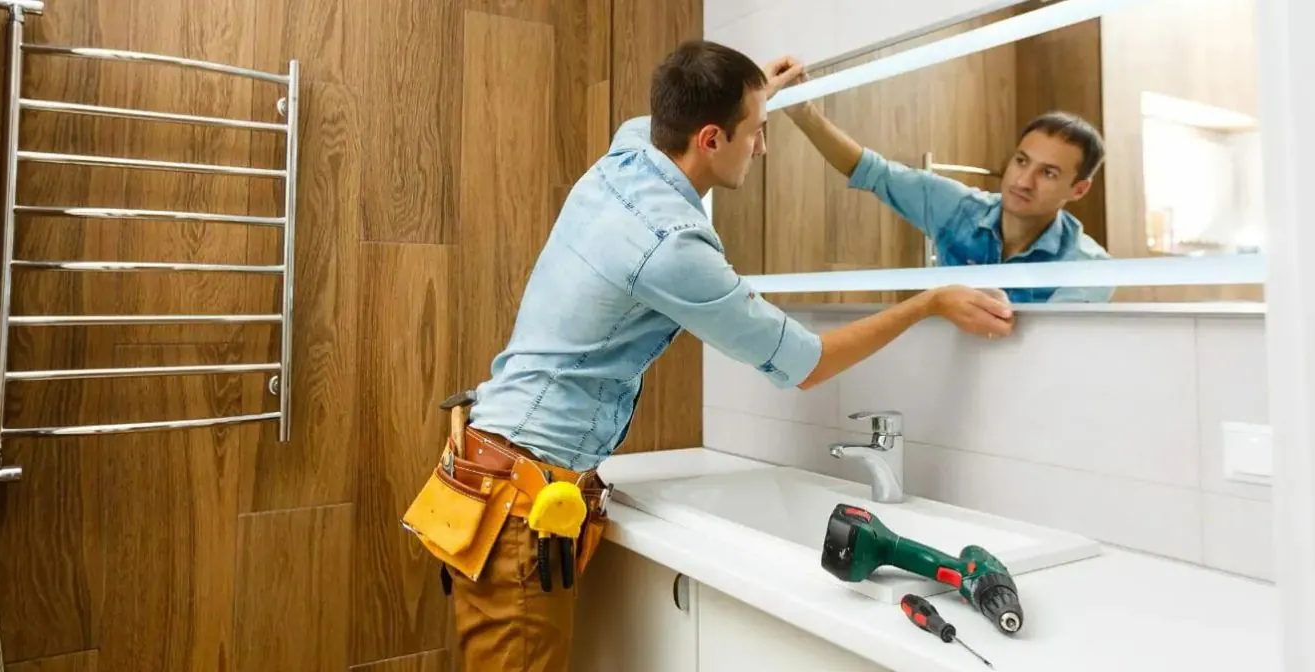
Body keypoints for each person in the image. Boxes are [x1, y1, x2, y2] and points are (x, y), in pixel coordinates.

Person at [399, 40, 1017, 672]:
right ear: (713, 138)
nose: (764, 146)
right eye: (758, 132)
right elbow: (808, 365)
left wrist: (759, 93)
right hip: (520, 503)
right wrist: (928, 302)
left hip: (495, 466)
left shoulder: (631, 150)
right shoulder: (673, 247)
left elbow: (683, 116)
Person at [784, 93, 1116, 303]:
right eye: (1021, 161)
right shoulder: (958, 210)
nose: (1023, 181)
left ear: (1079, 189)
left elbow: (1050, 355)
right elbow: (874, 172)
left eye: (1049, 173)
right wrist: (804, 112)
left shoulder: (1087, 267)